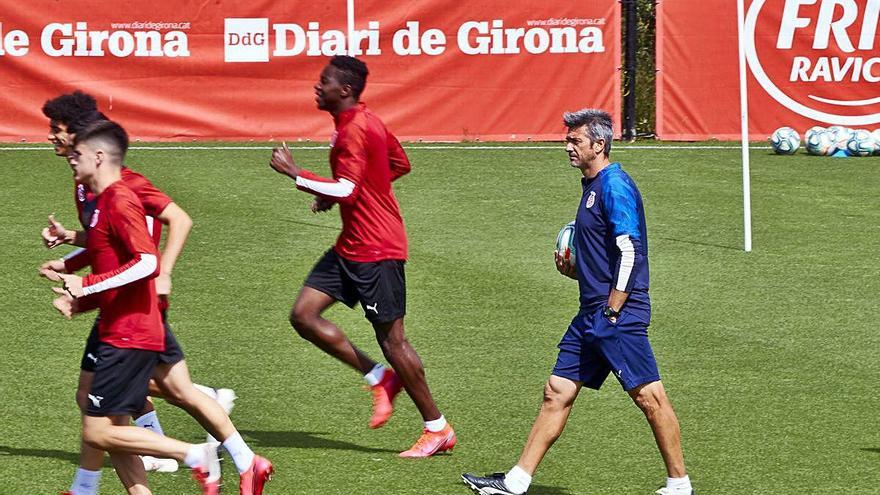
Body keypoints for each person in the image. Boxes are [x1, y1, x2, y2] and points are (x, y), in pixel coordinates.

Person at [461, 109, 694, 495]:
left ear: (598, 145)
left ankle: (679, 484)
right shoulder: (592, 186)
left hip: (616, 313)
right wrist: (581, 270)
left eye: (575, 141)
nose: (567, 146)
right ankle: (516, 482)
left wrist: (614, 308)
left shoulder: (614, 187)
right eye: (567, 139)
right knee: (557, 389)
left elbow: (630, 251)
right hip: (591, 312)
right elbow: (606, 250)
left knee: (650, 397)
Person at [41, 113, 272, 495]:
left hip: (132, 320)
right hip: (116, 315)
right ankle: (242, 461)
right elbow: (105, 246)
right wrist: (72, 266)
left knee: (105, 422)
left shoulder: (122, 192)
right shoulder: (92, 190)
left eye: (64, 136)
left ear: (95, 150)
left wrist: (159, 272)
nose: (57, 143)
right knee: (107, 406)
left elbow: (157, 243)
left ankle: (194, 454)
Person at [268, 55, 455, 457]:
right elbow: (396, 164)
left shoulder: (355, 128)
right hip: (351, 244)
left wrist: (295, 173)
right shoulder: (361, 121)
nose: (318, 87)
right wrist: (339, 191)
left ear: (345, 90)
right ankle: (379, 378)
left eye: (325, 82)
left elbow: (349, 189)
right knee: (303, 315)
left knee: (393, 341)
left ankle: (437, 428)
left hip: (377, 250)